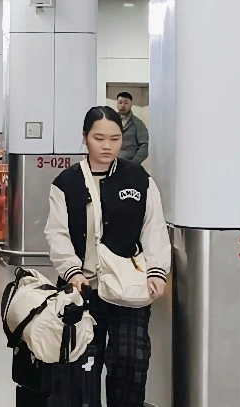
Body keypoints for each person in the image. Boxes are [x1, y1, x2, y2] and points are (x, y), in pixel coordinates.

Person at [43, 106, 171, 407]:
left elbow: (153, 228)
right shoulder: (66, 183)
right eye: (98, 138)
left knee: (131, 360)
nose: (106, 145)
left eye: (114, 138)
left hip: (129, 288)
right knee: (82, 363)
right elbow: (57, 233)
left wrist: (156, 271)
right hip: (82, 288)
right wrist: (71, 270)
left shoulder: (139, 179)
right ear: (85, 138)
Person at [115, 92, 150, 164]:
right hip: (110, 163)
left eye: (126, 103)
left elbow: (146, 145)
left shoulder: (137, 123)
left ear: (131, 104)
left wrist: (134, 163)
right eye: (120, 102)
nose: (122, 105)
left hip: (127, 163)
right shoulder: (111, 121)